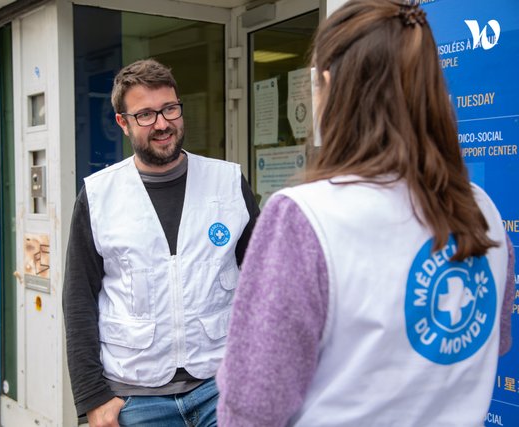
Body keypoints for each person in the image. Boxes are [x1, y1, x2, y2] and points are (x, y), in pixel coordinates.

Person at [216, 1, 515, 426]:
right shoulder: (482, 209)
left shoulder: (304, 217)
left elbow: (252, 408)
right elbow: (494, 344)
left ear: (328, 84)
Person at [63, 58, 259, 427]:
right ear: (122, 122)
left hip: (222, 387)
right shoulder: (99, 195)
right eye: (146, 115)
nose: (162, 123)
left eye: (170, 109)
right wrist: (92, 398)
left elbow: (264, 282)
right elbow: (78, 300)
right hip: (135, 398)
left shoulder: (228, 183)